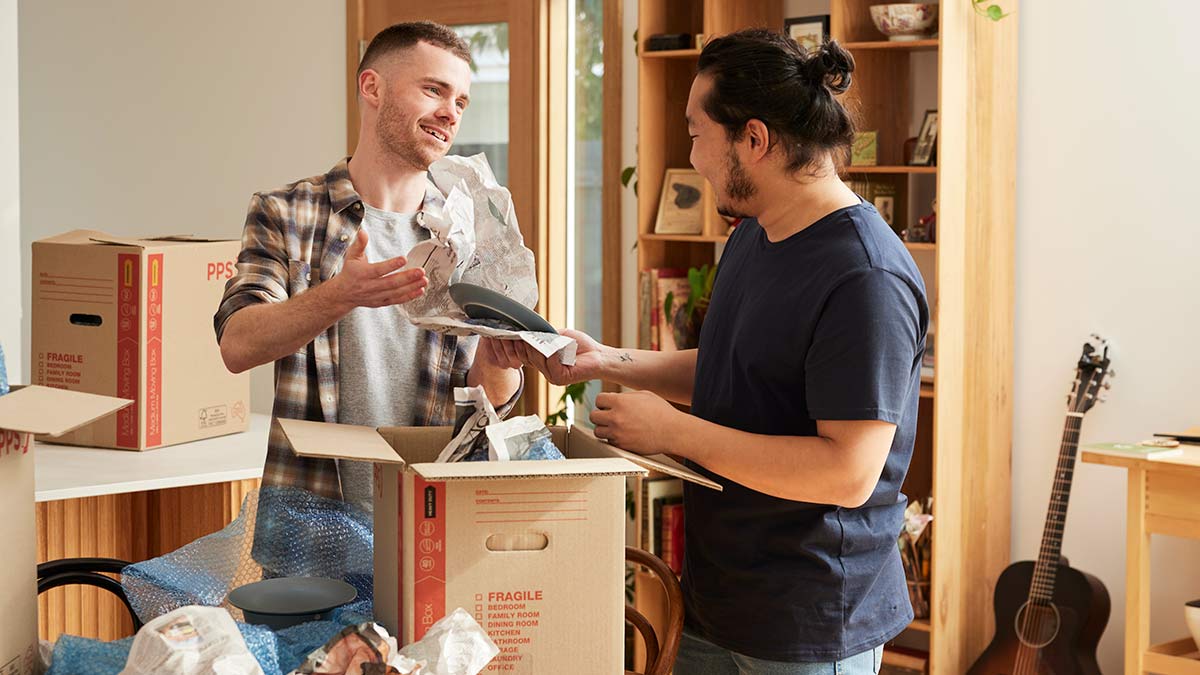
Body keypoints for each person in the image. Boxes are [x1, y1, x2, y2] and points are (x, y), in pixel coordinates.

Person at [517, 29, 928, 674]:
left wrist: (675, 430)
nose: (694, 157)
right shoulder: (755, 236)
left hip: (809, 621)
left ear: (754, 140)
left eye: (696, 132)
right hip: (719, 597)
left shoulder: (864, 277)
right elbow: (732, 371)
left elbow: (848, 473)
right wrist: (605, 360)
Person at [213, 21, 526, 518]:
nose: (450, 113)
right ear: (372, 87)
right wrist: (340, 295)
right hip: (311, 534)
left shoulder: (472, 233)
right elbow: (237, 345)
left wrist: (502, 349)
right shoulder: (286, 213)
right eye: (434, 90)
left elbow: (492, 407)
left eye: (461, 102)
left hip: (434, 524)